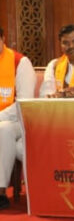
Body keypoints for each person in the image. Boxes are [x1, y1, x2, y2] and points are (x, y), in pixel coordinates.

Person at [0, 27, 34, 210]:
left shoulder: (20, 62)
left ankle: (0, 191)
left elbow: (24, 103)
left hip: (19, 121)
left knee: (4, 128)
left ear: (3, 39)